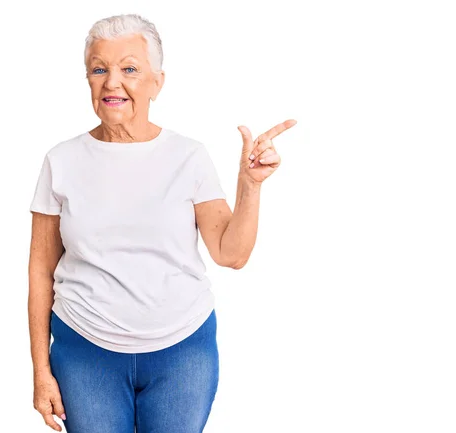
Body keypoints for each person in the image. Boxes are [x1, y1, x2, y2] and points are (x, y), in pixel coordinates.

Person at [28, 13, 297, 433]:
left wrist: (250, 185)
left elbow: (232, 254)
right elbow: (41, 271)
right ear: (87, 80)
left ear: (158, 81)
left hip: (182, 352)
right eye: (99, 69)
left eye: (130, 69)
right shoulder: (60, 161)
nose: (112, 82)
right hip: (84, 351)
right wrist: (41, 371)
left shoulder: (189, 157)